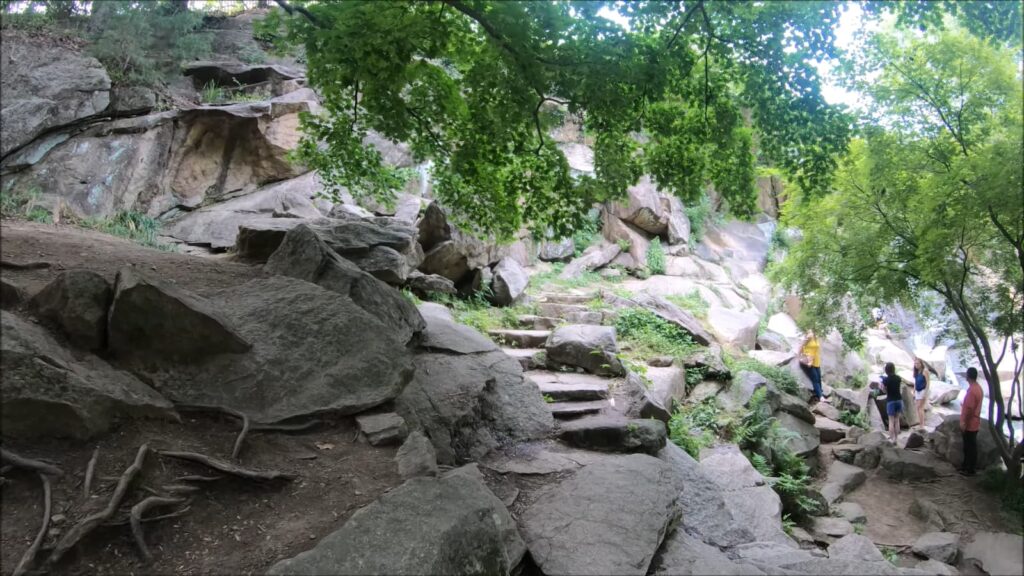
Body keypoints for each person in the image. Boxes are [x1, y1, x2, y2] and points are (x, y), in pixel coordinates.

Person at [959, 367, 984, 476]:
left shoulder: (972, 391)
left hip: (970, 423)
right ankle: (966, 467)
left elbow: (969, 409)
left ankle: (969, 469)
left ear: (967, 376)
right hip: (975, 422)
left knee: (969, 447)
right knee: (970, 446)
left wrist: (964, 422)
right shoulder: (978, 388)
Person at [799, 329, 824, 402]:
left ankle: (819, 394)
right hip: (809, 360)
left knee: (819, 377)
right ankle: (821, 397)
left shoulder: (816, 338)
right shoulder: (809, 337)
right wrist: (799, 356)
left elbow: (816, 349)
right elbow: (801, 346)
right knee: (815, 379)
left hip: (816, 360)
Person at [881, 362, 903, 445]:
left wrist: (883, 388)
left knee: (891, 420)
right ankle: (896, 439)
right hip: (899, 400)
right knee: (897, 420)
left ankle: (892, 439)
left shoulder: (886, 379)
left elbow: (883, 390)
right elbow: (899, 388)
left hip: (891, 401)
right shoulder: (898, 378)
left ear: (886, 370)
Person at [913, 357, 930, 431]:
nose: (916, 365)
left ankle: (922, 425)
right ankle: (920, 424)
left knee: (920, 407)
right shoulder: (916, 371)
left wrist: (925, 393)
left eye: (918, 363)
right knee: (917, 408)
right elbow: (916, 381)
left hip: (923, 390)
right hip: (917, 391)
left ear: (921, 364)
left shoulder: (925, 371)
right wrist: (914, 390)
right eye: (915, 363)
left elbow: (928, 382)